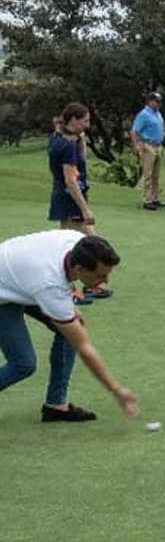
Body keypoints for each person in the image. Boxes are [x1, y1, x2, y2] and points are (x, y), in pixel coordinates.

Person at [0, 230, 139, 422]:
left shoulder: (78, 241)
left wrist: (69, 305)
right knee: (23, 364)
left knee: (70, 329)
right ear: (79, 270)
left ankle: (56, 405)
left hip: (20, 277)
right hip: (5, 294)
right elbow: (84, 347)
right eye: (100, 275)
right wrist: (117, 390)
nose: (106, 281)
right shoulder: (50, 285)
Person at [47, 103, 111, 304]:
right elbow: (70, 180)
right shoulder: (66, 145)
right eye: (85, 120)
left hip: (65, 197)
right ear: (73, 120)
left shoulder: (61, 138)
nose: (88, 124)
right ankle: (74, 288)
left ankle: (90, 285)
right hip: (69, 199)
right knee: (89, 244)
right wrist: (85, 209)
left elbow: (80, 162)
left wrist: (80, 141)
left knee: (78, 243)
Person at [130, 90, 165, 210]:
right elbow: (134, 131)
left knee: (156, 175)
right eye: (156, 101)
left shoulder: (158, 114)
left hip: (158, 145)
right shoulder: (144, 114)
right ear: (150, 101)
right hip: (147, 145)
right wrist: (135, 145)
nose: (159, 104)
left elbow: (159, 130)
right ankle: (147, 200)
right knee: (148, 173)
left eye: (160, 102)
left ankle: (154, 197)